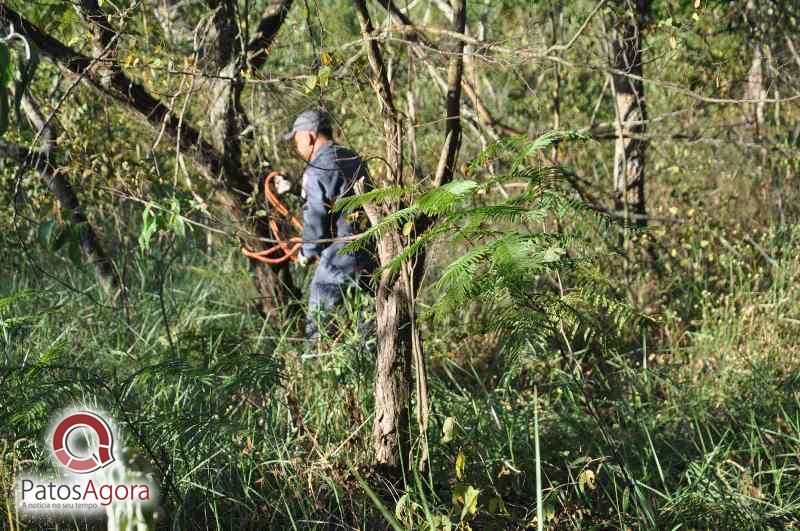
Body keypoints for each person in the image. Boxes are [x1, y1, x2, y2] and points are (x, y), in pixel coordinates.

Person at [281, 109, 376, 349]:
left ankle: (317, 363)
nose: (297, 146)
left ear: (310, 137)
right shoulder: (350, 157)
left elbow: (317, 215)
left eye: (297, 139)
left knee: (319, 318)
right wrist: (294, 187)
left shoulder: (316, 168)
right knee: (369, 321)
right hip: (370, 250)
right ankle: (373, 368)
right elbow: (337, 196)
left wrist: (307, 251)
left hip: (342, 255)